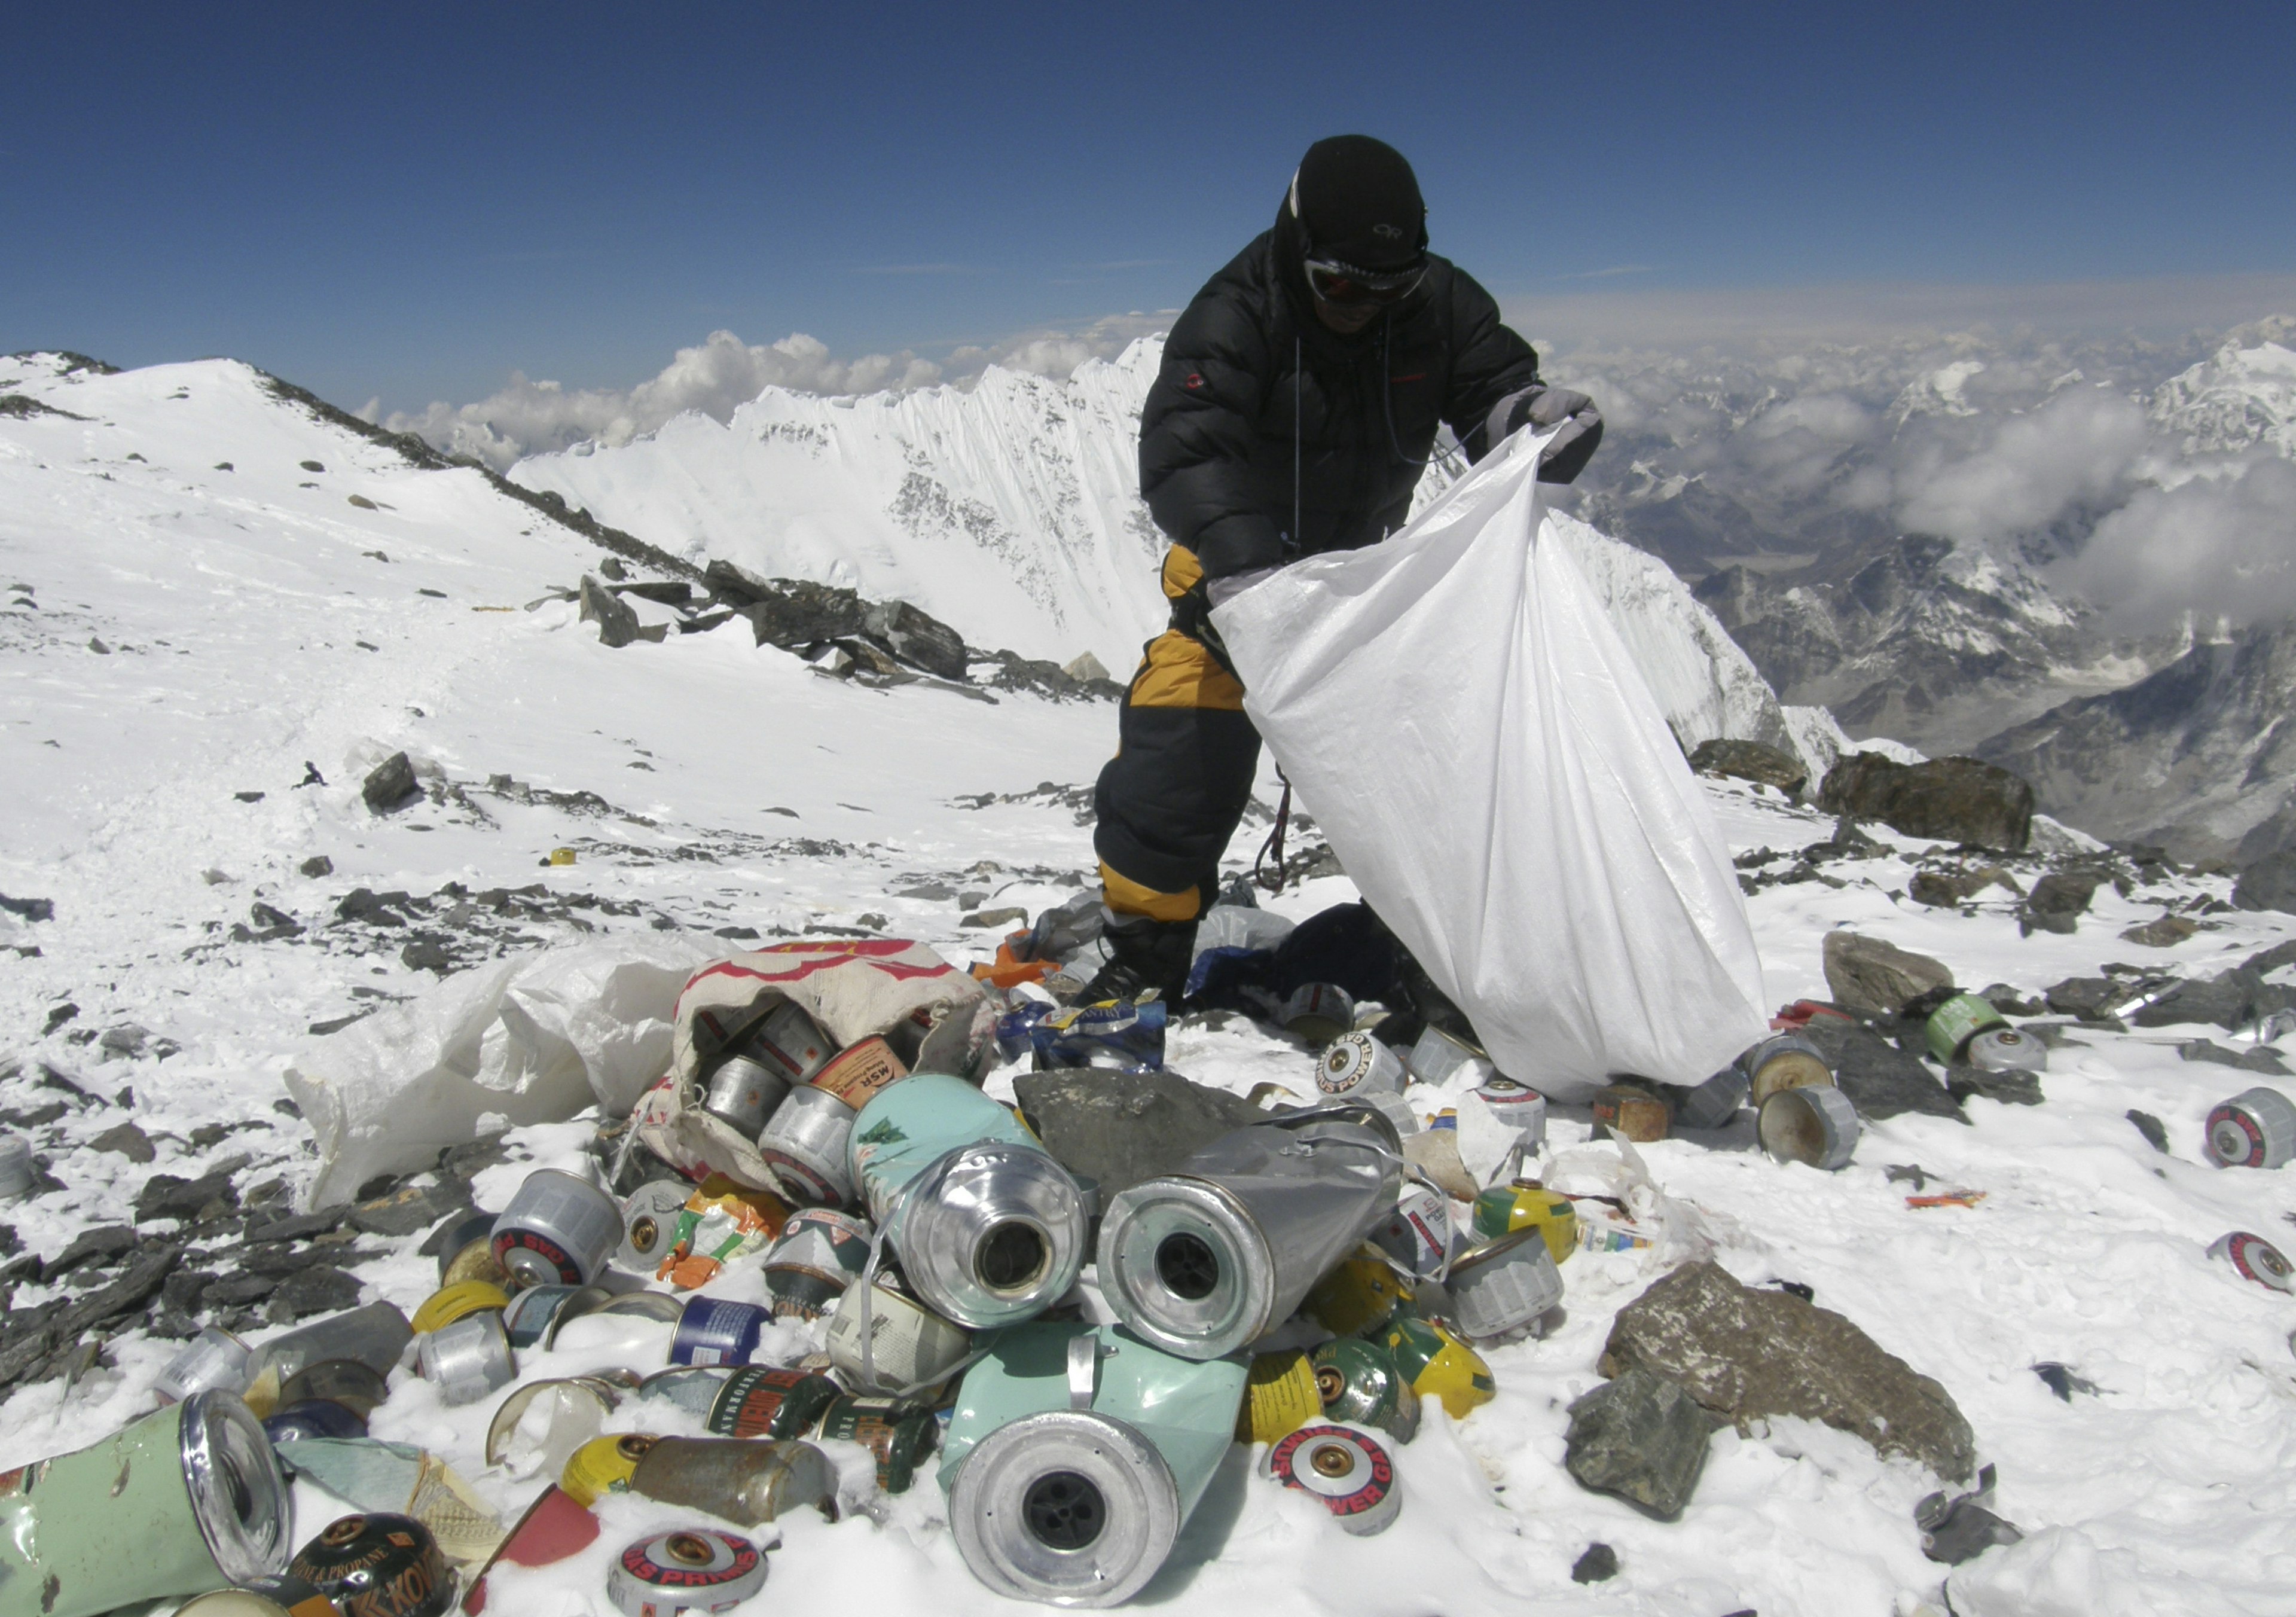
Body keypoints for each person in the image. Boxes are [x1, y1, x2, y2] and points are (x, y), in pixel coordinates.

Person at [1081, 133, 1603, 1006]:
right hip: (1230, 600)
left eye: (1387, 286)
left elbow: (1490, 392)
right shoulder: (1237, 313)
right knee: (1171, 778)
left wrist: (1530, 422)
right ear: (1296, 245)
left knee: (1436, 781)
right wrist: (1247, 575)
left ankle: (1432, 963)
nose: (1362, 304)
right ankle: (1146, 958)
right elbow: (1184, 451)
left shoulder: (1437, 304)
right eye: (1340, 284)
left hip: (1367, 595)